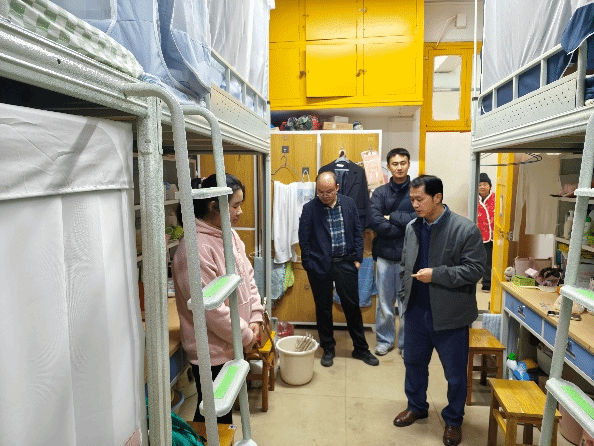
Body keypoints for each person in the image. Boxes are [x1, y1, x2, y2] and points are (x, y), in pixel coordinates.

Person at [393, 175, 485, 446]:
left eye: (419, 199)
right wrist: (404, 297)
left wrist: (437, 274)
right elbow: (405, 264)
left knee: (455, 375)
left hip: (450, 315)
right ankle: (416, 406)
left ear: (437, 197)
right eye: (412, 199)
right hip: (416, 311)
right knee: (413, 363)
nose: (415, 205)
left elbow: (475, 270)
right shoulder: (412, 227)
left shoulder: (465, 230)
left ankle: (454, 420)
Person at [172, 173, 264, 424]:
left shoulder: (229, 235)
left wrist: (255, 316)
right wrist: (246, 335)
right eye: (235, 206)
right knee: (214, 415)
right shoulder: (194, 250)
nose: (240, 212)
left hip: (235, 341)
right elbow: (211, 312)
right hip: (213, 352)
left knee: (221, 412)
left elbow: (247, 277)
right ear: (214, 207)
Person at [298, 171, 379, 367]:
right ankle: (328, 348)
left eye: (328, 191)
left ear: (337, 188)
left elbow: (357, 232)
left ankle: (361, 348)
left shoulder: (349, 203)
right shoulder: (310, 208)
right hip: (319, 266)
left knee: (352, 307)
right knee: (323, 307)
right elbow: (304, 238)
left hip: (346, 263)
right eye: (320, 192)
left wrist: (357, 259)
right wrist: (309, 264)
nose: (324, 196)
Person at [368, 148, 416, 357]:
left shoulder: (417, 191)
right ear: (388, 166)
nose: (399, 167)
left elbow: (420, 219)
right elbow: (375, 221)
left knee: (407, 305)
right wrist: (403, 225)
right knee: (384, 303)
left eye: (403, 163)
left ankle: (406, 344)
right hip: (385, 256)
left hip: (410, 257)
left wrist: (392, 217)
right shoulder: (380, 193)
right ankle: (385, 340)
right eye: (395, 164)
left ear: (408, 164)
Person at [477, 172, 495, 292]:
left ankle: (496, 282)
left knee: (496, 259)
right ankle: (486, 282)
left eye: (485, 184)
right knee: (485, 260)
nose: (482, 187)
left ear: (489, 186)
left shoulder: (496, 198)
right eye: (480, 185)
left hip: (496, 234)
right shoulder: (474, 199)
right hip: (481, 235)